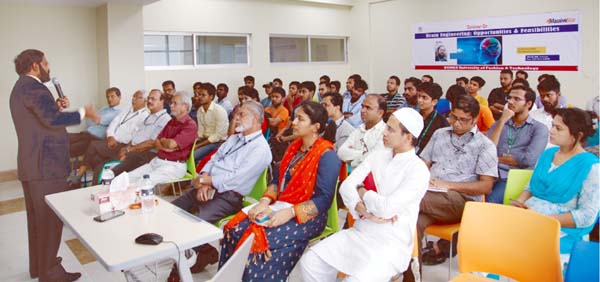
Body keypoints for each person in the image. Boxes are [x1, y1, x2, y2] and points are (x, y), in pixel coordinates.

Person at [301, 108, 429, 282]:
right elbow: (346, 186)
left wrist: (362, 191)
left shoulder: (418, 170)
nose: (384, 132)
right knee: (311, 261)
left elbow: (386, 209)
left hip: (390, 244)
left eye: (390, 129)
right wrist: (359, 206)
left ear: (408, 137)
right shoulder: (378, 155)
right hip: (360, 232)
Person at [219, 101, 340, 281]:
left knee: (257, 244)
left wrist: (290, 213)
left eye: (301, 119)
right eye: (295, 118)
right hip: (280, 205)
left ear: (315, 127)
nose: (294, 123)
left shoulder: (327, 155)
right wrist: (264, 202)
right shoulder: (293, 148)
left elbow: (324, 200)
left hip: (308, 216)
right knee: (234, 230)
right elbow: (276, 180)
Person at [10, 49, 99, 282]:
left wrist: (56, 107)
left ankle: (40, 268)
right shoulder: (34, 88)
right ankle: (50, 274)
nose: (49, 67)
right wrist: (83, 112)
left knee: (38, 222)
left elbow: (42, 120)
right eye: (46, 63)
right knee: (49, 222)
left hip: (33, 165)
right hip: (45, 166)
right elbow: (52, 120)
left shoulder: (21, 87)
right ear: (35, 66)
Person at [167, 101, 272, 281]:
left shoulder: (260, 149)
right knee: (171, 212)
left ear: (256, 119)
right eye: (237, 114)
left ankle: (177, 274)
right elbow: (214, 159)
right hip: (210, 185)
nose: (236, 118)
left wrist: (207, 181)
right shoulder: (234, 138)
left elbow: (236, 178)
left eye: (242, 115)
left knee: (191, 225)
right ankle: (206, 251)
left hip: (230, 196)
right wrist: (205, 180)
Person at [413, 95, 497, 272]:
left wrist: (449, 185)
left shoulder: (484, 145)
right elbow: (423, 164)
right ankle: (412, 276)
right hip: (431, 196)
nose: (456, 123)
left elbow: (486, 186)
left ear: (474, 119)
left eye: (463, 120)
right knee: (411, 224)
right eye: (453, 117)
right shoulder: (439, 134)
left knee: (407, 200)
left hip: (461, 200)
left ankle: (389, 202)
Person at [511, 108, 598, 263]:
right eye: (552, 125)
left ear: (577, 136)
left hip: (561, 231)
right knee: (495, 249)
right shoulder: (547, 155)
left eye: (558, 128)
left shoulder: (590, 167)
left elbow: (587, 216)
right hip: (529, 221)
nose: (551, 131)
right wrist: (518, 204)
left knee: (521, 260)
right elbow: (531, 187)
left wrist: (545, 220)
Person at [486, 85, 548, 204]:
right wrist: (502, 121)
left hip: (514, 177)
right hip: (490, 173)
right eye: (509, 98)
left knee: (491, 200)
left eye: (517, 99)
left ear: (528, 104)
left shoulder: (539, 129)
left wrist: (497, 158)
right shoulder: (499, 124)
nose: (510, 101)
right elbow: (487, 151)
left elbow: (528, 160)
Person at [74, 90, 150, 185]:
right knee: (95, 160)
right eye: (133, 96)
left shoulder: (145, 116)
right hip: (111, 142)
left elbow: (135, 137)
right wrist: (110, 136)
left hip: (122, 146)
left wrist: (126, 149)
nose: (133, 99)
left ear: (145, 101)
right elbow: (114, 123)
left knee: (93, 146)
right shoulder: (127, 109)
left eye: (137, 97)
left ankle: (79, 175)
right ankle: (86, 181)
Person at [128, 92, 197, 186]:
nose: (171, 106)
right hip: (157, 161)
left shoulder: (190, 125)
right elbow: (156, 142)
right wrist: (166, 145)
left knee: (142, 183)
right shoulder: (171, 121)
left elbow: (171, 144)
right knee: (127, 178)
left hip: (173, 166)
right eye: (171, 103)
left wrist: (165, 143)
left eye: (174, 103)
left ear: (184, 106)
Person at [112, 89, 171, 177]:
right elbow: (135, 136)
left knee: (113, 174)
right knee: (102, 165)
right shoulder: (148, 117)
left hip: (146, 155)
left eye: (153, 99)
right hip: (134, 151)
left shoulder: (165, 119)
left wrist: (128, 150)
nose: (149, 101)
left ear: (162, 101)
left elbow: (151, 143)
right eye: (148, 98)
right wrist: (126, 148)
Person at [68, 87, 121, 158]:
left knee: (69, 149)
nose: (109, 99)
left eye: (112, 96)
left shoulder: (119, 112)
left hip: (95, 139)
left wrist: (93, 116)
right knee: (62, 137)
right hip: (85, 134)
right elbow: (89, 122)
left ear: (119, 97)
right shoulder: (104, 108)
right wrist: (93, 117)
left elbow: (100, 119)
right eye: (107, 97)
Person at [338, 94, 387, 170]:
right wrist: (364, 154)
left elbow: (374, 160)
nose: (362, 110)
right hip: (355, 179)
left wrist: (352, 161)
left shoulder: (385, 132)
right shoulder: (358, 130)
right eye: (362, 106)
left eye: (368, 108)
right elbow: (341, 153)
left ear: (380, 113)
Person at [193, 83, 229, 163]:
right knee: (185, 151)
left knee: (193, 155)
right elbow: (200, 132)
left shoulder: (219, 110)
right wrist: (193, 143)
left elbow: (218, 136)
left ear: (211, 97)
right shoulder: (200, 110)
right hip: (205, 140)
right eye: (199, 94)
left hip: (218, 143)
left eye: (203, 95)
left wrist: (198, 145)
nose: (200, 97)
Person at [416, 82, 449, 155]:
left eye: (424, 97)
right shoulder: (412, 116)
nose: (419, 100)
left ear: (434, 102)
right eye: (419, 96)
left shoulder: (442, 123)